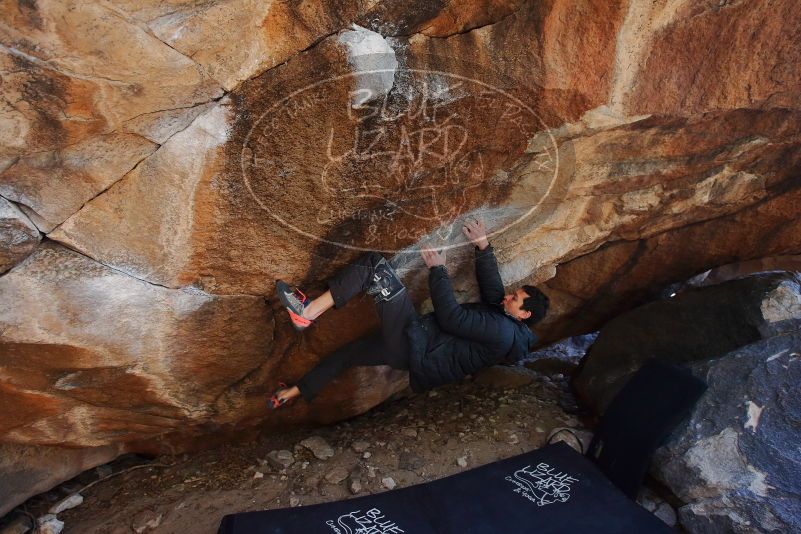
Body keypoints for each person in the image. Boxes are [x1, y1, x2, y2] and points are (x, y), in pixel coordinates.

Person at [268, 217, 549, 409]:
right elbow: (493, 291)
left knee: (374, 267)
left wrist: (438, 269)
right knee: (347, 355)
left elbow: (452, 317)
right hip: (410, 353)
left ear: (523, 314)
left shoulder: (500, 331)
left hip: (412, 342)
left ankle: (307, 311)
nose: (508, 296)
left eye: (515, 298)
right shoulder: (507, 324)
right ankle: (291, 393)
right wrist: (483, 246)